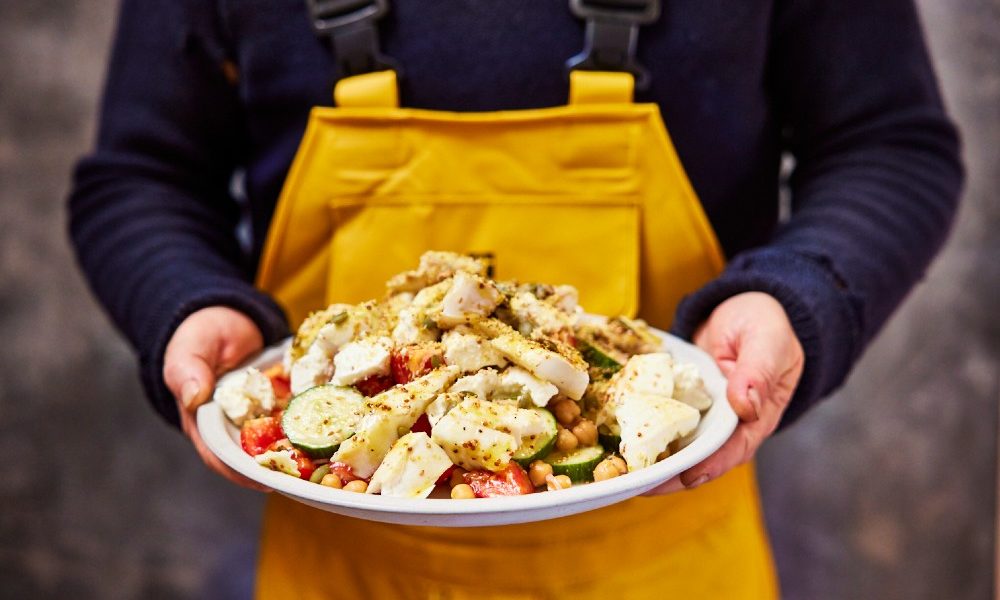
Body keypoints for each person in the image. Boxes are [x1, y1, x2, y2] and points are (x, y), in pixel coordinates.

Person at [68, 0, 962, 597]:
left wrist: (797, 299)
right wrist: (183, 306)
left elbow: (889, 142)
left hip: (669, 551)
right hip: (341, 565)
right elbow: (142, 174)